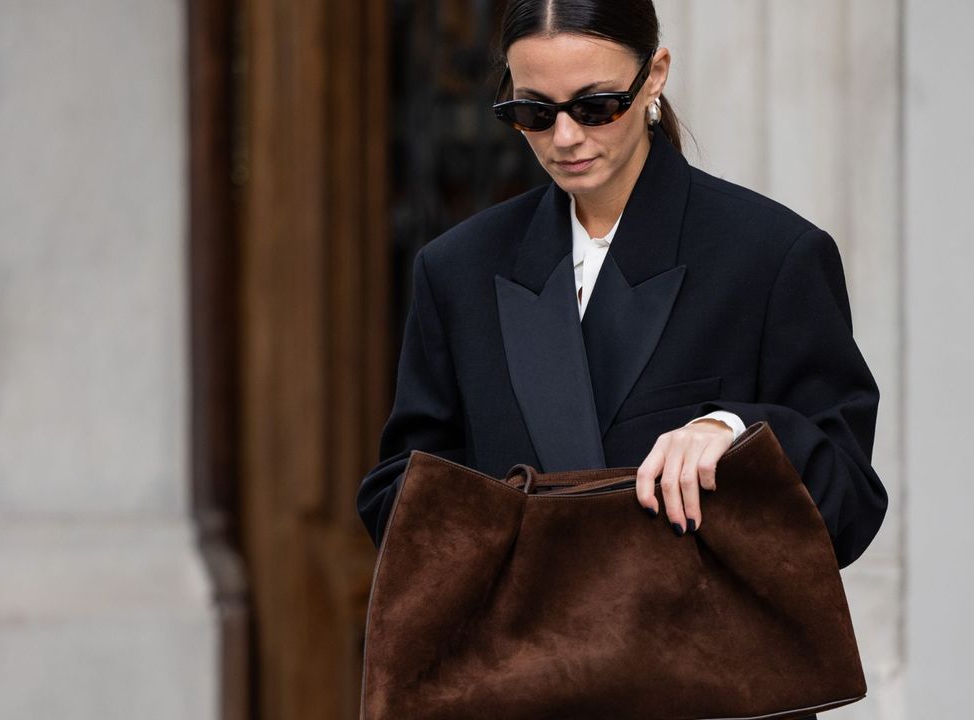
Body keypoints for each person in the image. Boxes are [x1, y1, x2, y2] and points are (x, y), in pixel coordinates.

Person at [358, 1, 887, 716]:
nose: (566, 137)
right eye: (533, 112)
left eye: (597, 104)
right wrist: (512, 524)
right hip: (520, 693)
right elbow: (399, 494)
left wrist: (733, 432)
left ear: (654, 76)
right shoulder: (458, 272)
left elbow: (850, 504)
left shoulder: (771, 256)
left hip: (713, 699)